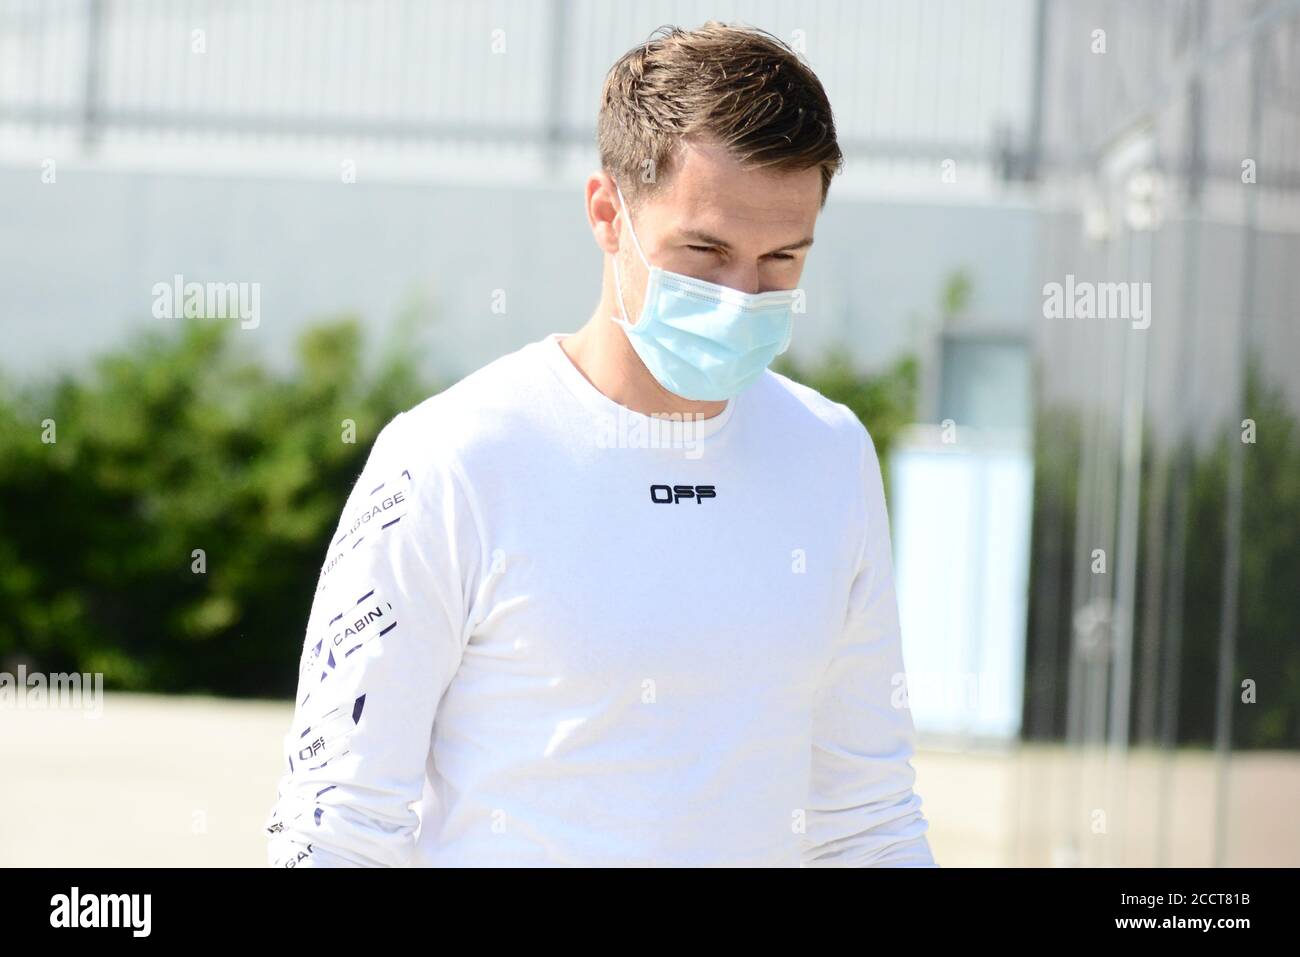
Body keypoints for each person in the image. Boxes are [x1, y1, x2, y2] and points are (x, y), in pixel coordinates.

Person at [265, 21, 936, 868]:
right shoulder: (452, 459)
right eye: (706, 251)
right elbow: (335, 825)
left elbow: (868, 821)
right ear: (608, 213)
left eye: (781, 259)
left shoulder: (830, 456)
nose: (743, 295)